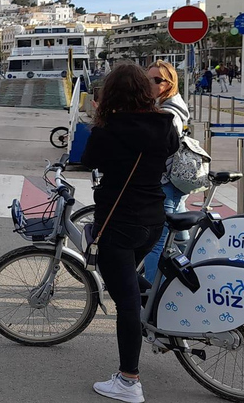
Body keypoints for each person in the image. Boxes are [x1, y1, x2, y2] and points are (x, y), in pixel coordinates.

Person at [81, 63, 179, 403]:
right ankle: (161, 316)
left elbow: (90, 160)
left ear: (111, 94)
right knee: (128, 284)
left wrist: (99, 119)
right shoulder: (165, 123)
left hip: (119, 223)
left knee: (125, 303)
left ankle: (128, 381)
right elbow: (170, 151)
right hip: (153, 220)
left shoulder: (108, 130)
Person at [143, 60, 190, 284]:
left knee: (157, 243)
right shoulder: (161, 105)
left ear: (169, 83)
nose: (150, 83)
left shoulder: (170, 112)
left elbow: (164, 142)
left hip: (167, 182)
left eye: (157, 80)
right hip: (175, 182)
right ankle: (190, 275)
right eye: (147, 79)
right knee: (180, 238)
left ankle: (153, 299)